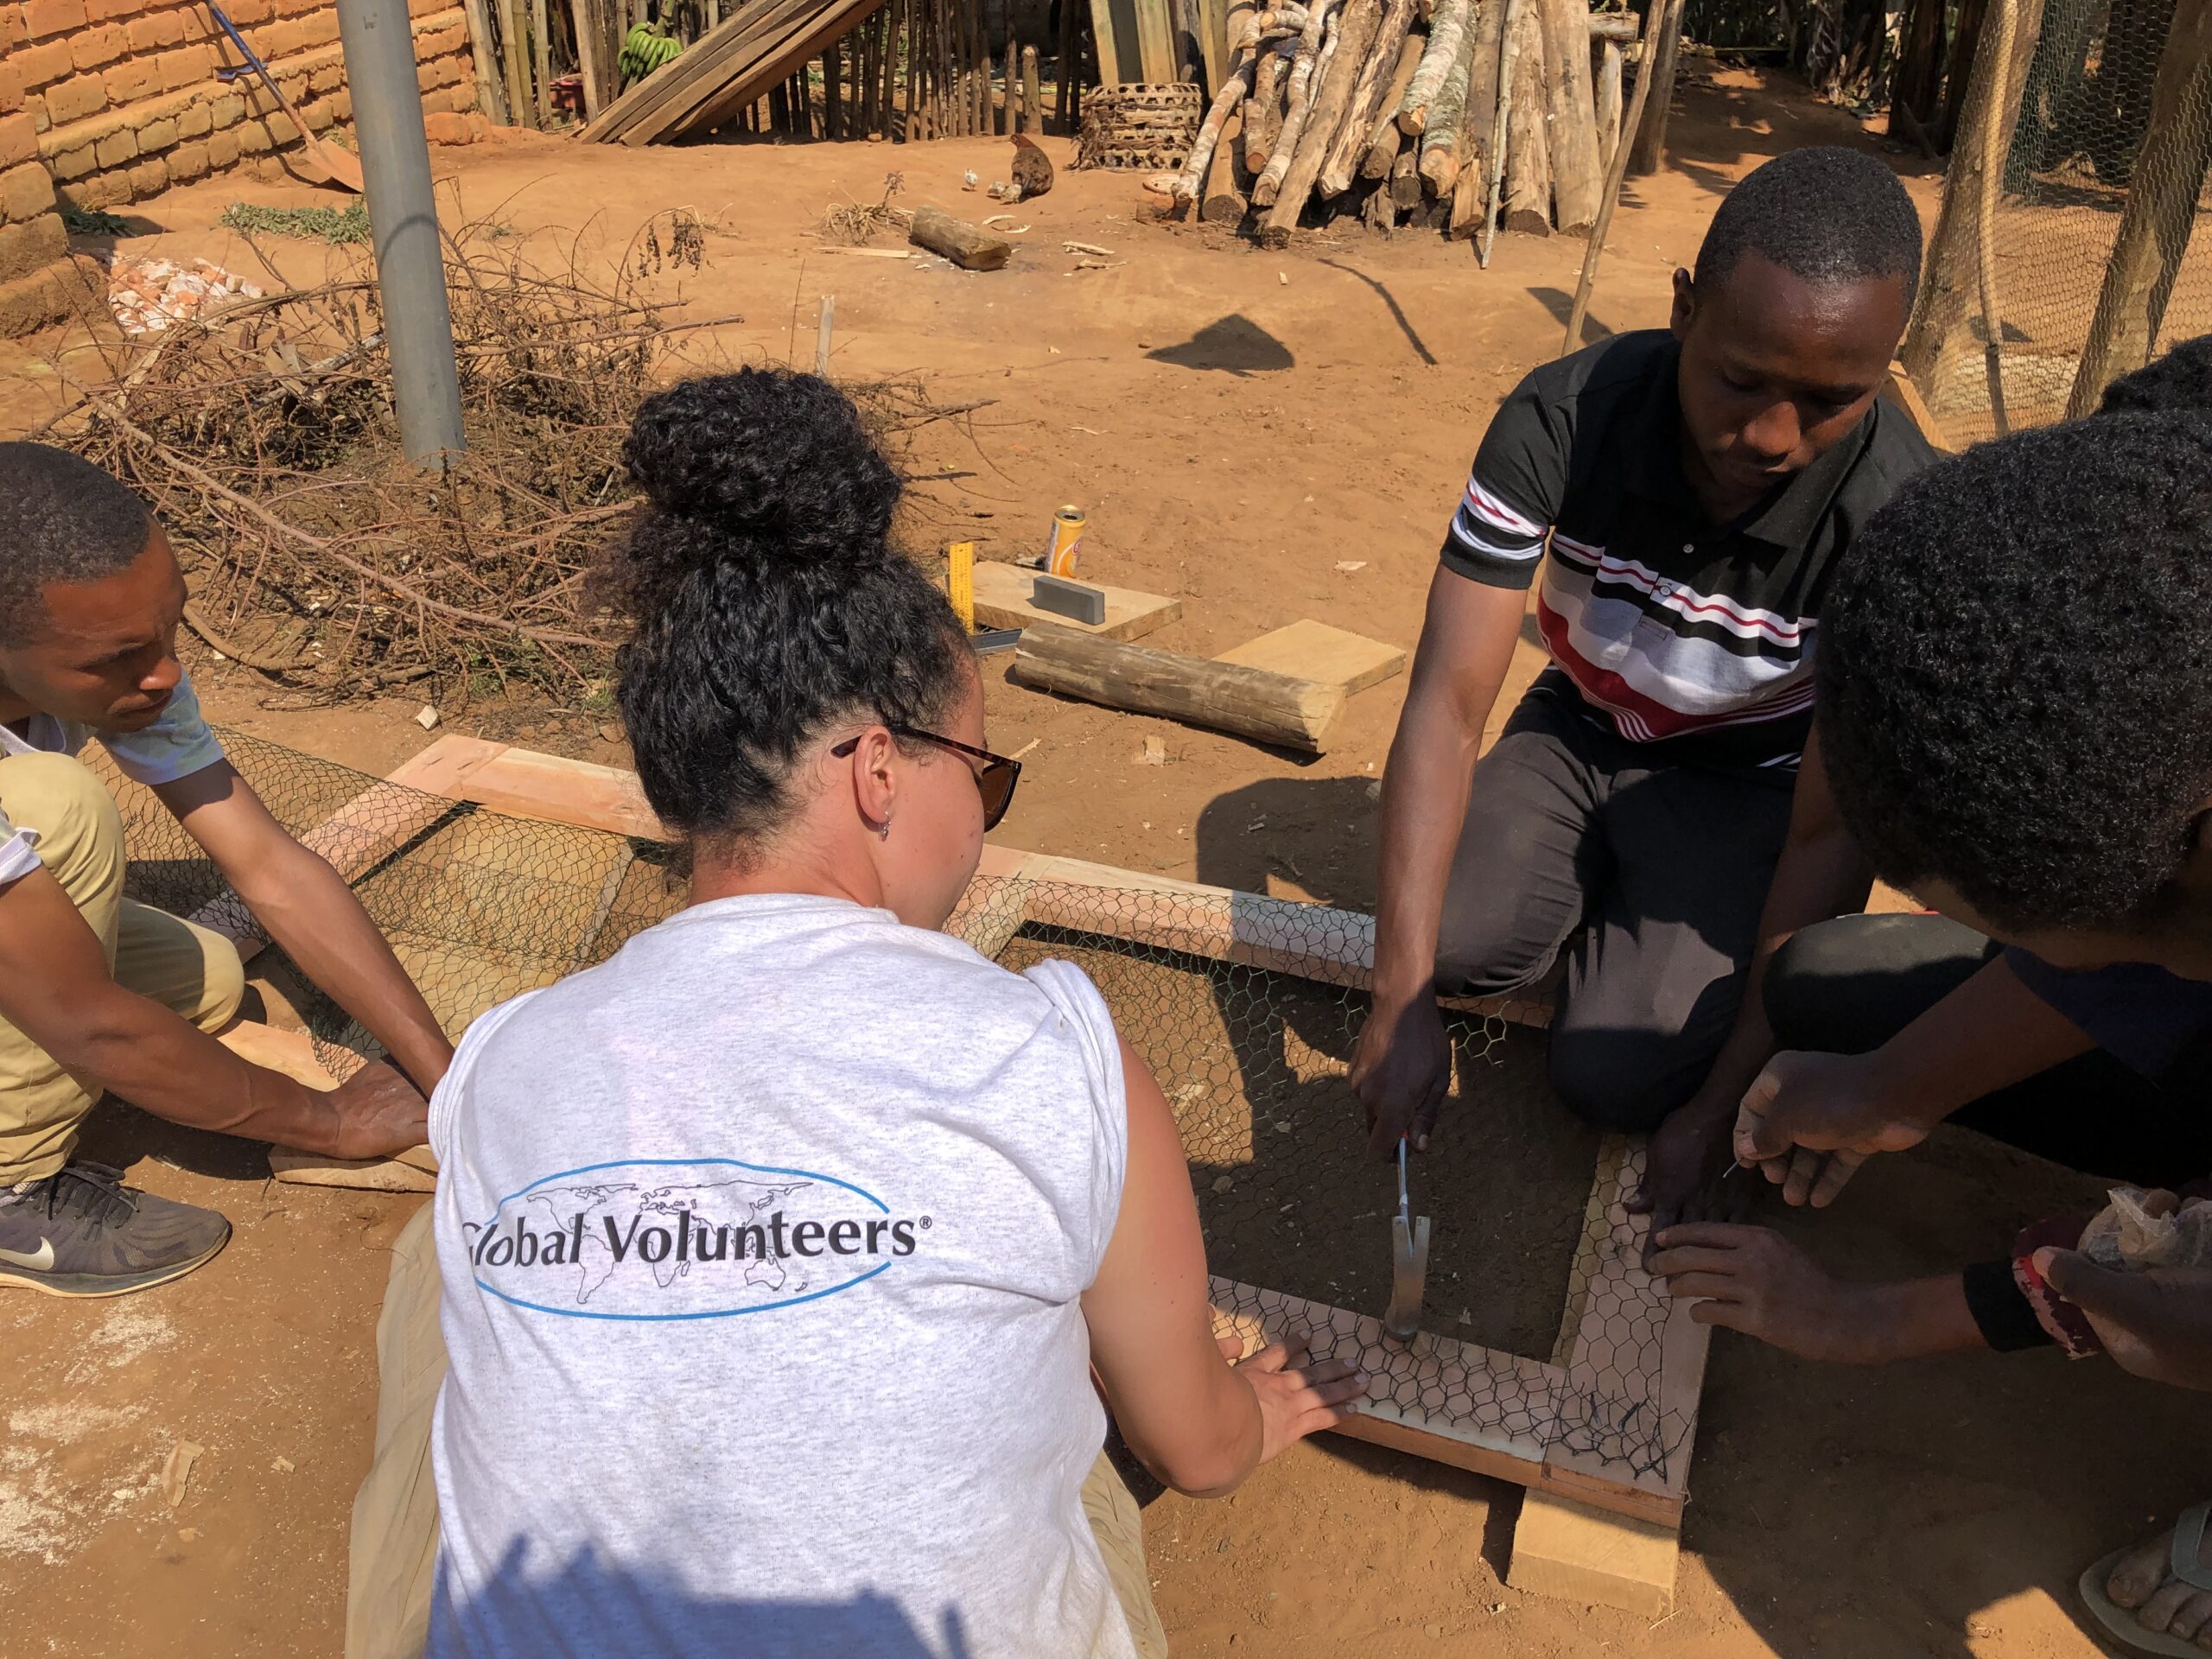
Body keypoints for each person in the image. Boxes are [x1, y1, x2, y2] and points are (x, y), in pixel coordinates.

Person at [347, 370, 1364, 1659]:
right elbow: (1196, 1447)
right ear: (882, 770)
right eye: (985, 779)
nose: (987, 828)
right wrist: (1248, 1421)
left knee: (427, 1302)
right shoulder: (1051, 1052)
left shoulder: (502, 1066)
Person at [1654, 363, 2212, 1653]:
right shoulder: (2165, 475)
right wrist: (1892, 1087)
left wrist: (1869, 1321)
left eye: (2040, 938)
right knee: (1843, 1002)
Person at [1351, 146, 1936, 1233]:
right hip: (1580, 726)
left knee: (1615, 1083)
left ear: (1888, 371)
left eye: (1828, 403)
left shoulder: (1901, 521)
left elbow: (1826, 839)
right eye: (1739, 378)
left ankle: (1641, 925)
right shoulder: (1561, 418)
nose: (1769, 437)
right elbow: (1444, 700)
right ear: (1682, 309)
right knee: (1453, 949)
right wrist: (1398, 1000)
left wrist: (1720, 1106)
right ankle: (1596, 892)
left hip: (1749, 781)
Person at [0, 442, 448, 1298]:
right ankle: (9, 1190)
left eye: (170, 624)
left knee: (203, 977)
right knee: (58, 808)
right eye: (119, 657)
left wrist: (439, 1069)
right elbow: (92, 1027)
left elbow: (268, 867)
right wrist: (328, 1118)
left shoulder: (127, 659)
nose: (163, 670)